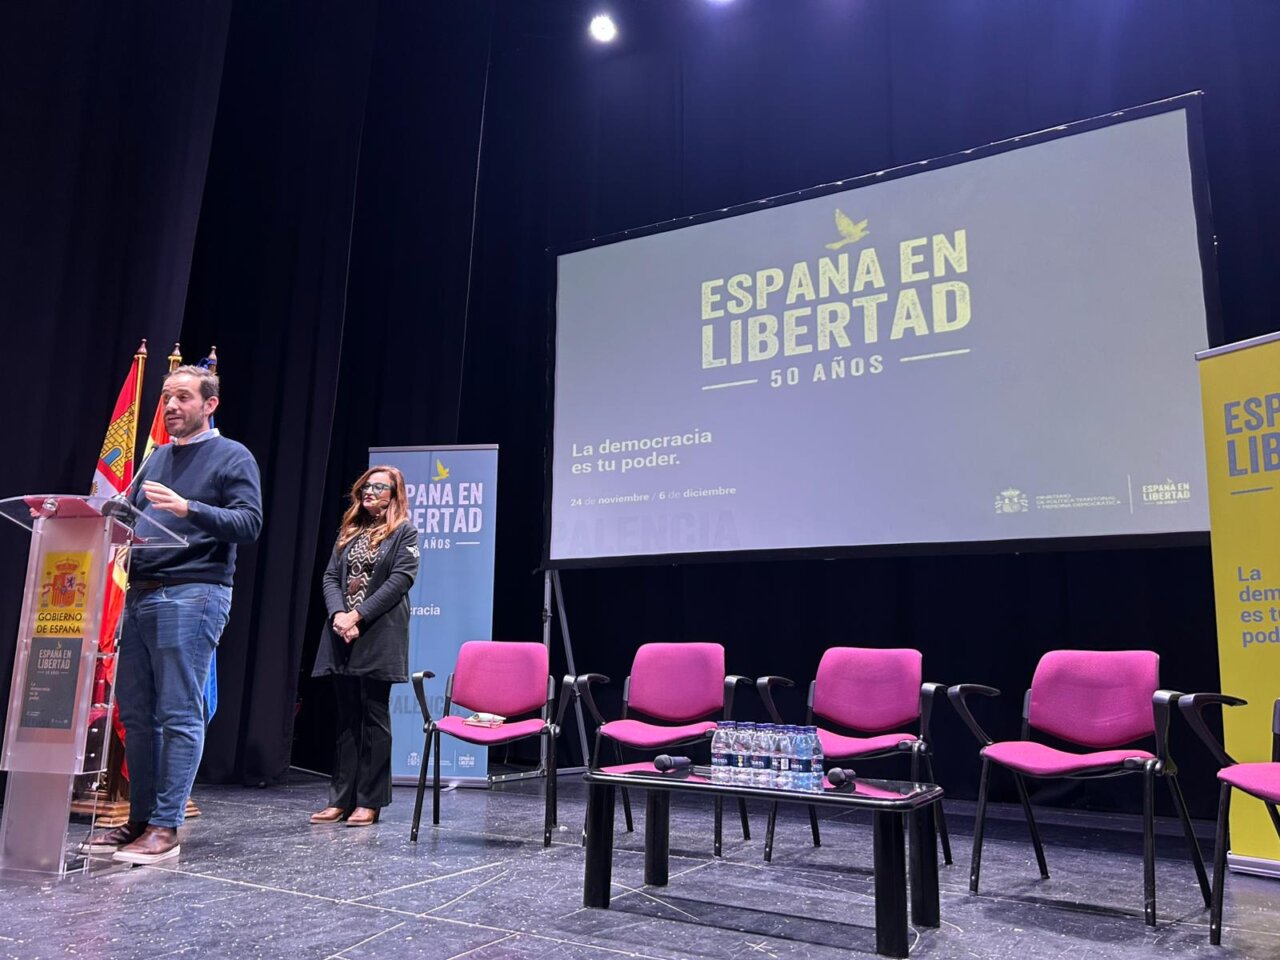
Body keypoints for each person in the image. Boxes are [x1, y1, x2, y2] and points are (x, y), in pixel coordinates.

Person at [84, 365, 263, 864]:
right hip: (140, 592)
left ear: (210, 405)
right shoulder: (155, 458)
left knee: (179, 713)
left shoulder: (233, 456)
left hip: (193, 593)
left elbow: (248, 523)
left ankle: (166, 826)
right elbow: (132, 517)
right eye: (165, 398)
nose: (169, 407)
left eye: (182, 398)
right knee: (137, 715)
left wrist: (189, 509)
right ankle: (140, 819)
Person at [309, 465, 419, 827]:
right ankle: (339, 799)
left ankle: (369, 802)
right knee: (345, 719)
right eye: (365, 487)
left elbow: (400, 580)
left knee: (374, 716)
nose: (369, 492)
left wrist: (357, 616)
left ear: (393, 494)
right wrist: (339, 614)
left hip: (378, 633)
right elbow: (329, 576)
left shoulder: (404, 532)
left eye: (378, 487)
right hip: (341, 633)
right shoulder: (349, 530)